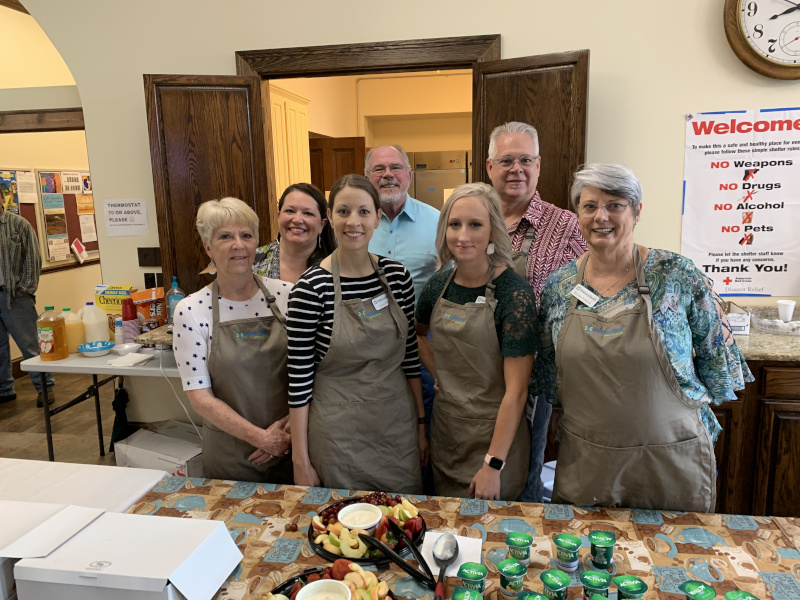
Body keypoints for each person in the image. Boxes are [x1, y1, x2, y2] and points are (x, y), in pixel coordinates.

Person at [537, 163, 753, 511]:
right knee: (585, 561)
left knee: (675, 558)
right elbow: (551, 375)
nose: (600, 216)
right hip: (589, 461)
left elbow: (717, 359)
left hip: (671, 459)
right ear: (577, 213)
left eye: (615, 205)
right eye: (589, 206)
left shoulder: (677, 275)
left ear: (637, 211)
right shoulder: (559, 286)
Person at [287, 174, 427, 493]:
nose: (354, 222)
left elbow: (409, 358)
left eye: (364, 212)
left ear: (378, 218)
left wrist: (420, 426)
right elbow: (298, 380)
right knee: (341, 532)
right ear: (329, 219)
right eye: (343, 211)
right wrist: (300, 460)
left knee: (401, 524)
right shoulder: (310, 289)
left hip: (396, 430)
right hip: (337, 436)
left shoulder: (397, 277)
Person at [486, 121, 588, 502]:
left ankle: (520, 541)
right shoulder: (473, 220)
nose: (517, 169)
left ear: (539, 165)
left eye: (526, 159)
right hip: (474, 368)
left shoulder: (568, 225)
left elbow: (591, 295)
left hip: (533, 375)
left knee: (523, 468)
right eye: (507, 160)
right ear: (489, 166)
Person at [416, 183, 537, 501]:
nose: (462, 236)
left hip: (496, 440)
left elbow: (517, 391)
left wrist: (493, 466)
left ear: (493, 231)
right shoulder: (438, 284)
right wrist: (439, 373)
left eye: (475, 225)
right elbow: (416, 334)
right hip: (448, 436)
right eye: (454, 224)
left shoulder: (514, 293)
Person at [173, 197, 292, 482]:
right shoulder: (190, 310)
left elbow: (314, 373)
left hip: (293, 448)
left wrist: (288, 431)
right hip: (232, 457)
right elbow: (200, 398)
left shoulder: (290, 295)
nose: (238, 245)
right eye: (225, 236)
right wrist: (262, 438)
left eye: (246, 235)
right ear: (207, 247)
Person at [366, 145, 439, 479]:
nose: (387, 174)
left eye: (395, 167)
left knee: (427, 431)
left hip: (424, 346)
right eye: (378, 169)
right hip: (370, 350)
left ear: (409, 175)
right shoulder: (356, 224)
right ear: (368, 177)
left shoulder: (438, 222)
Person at [0, 205, 54, 407]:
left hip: (15, 296)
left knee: (30, 344)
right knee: (0, 348)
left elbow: (33, 258)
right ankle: (4, 390)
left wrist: (24, 289)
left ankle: (45, 388)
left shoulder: (18, 224)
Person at [253, 182, 336, 284]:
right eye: (290, 211)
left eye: (308, 213)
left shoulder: (338, 268)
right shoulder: (251, 261)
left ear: (322, 224)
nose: (297, 220)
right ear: (278, 216)